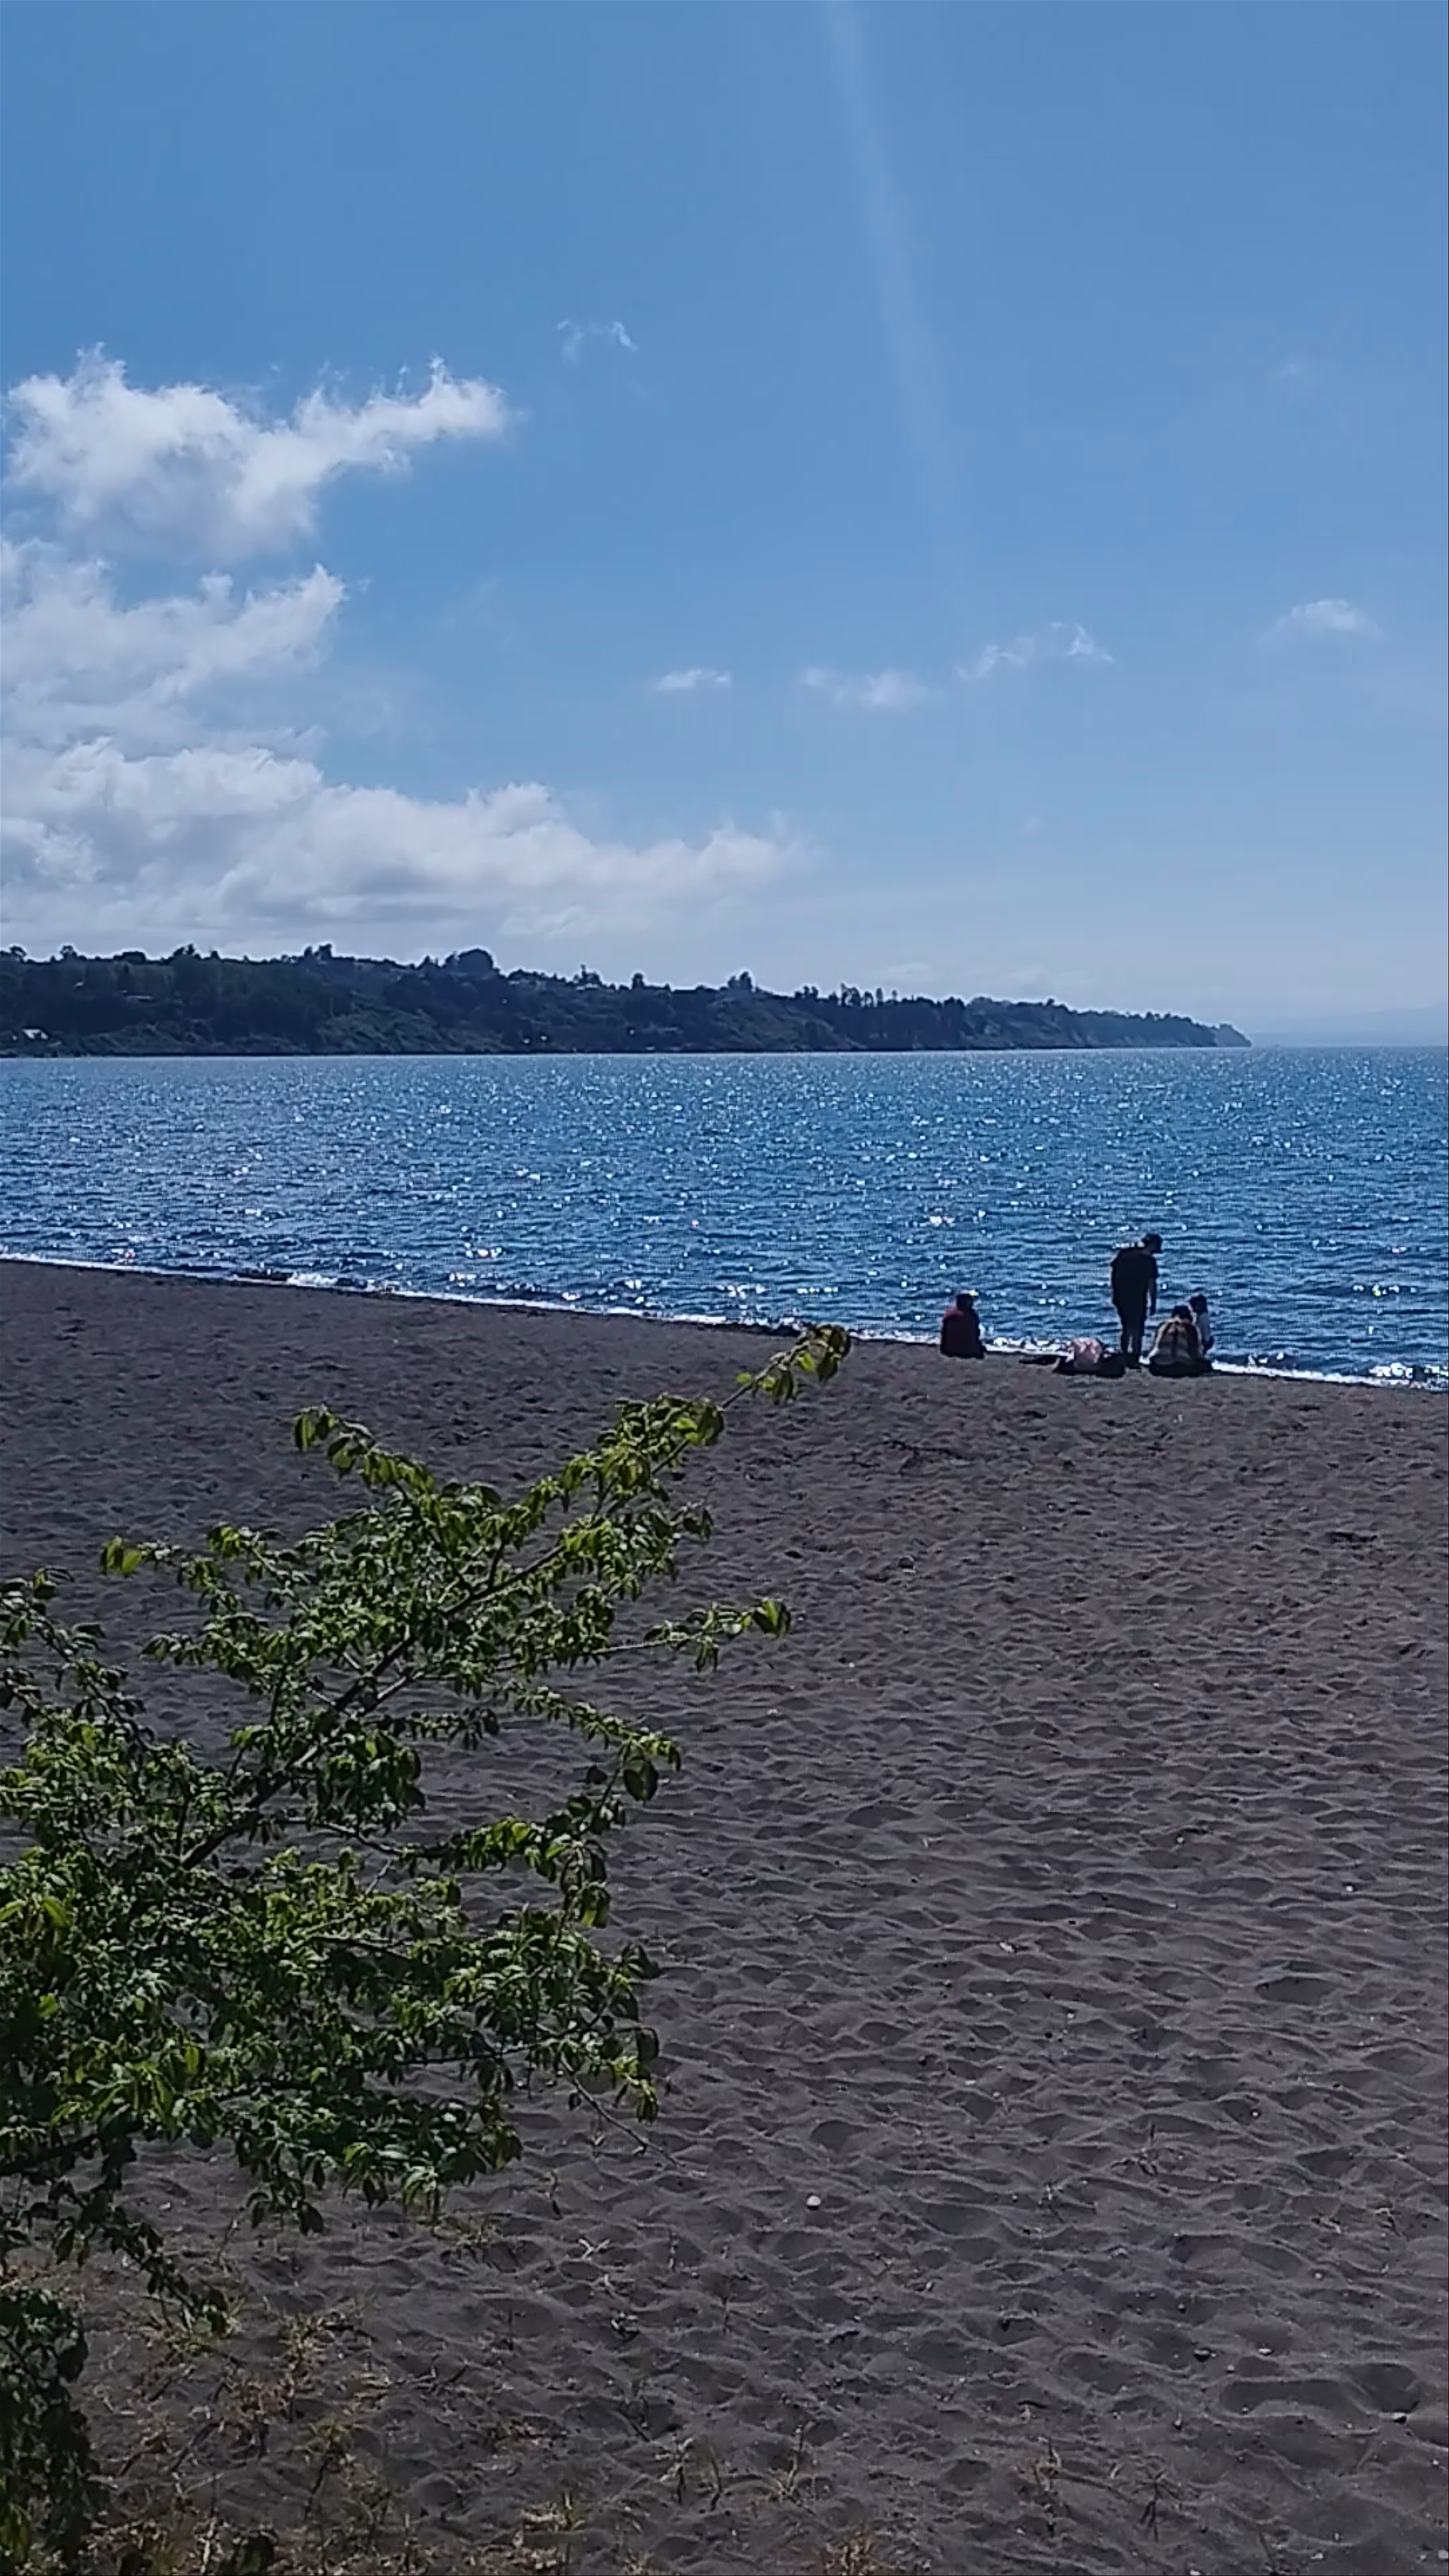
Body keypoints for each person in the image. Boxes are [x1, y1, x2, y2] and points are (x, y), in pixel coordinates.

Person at [1110, 1230, 1162, 1366]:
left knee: (1126, 1327)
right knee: (1138, 1328)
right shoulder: (1149, 1262)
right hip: (1138, 1297)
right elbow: (1152, 1285)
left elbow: (1114, 1273)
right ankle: (1135, 1356)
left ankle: (1125, 1354)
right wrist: (1154, 1303)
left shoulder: (1126, 1254)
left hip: (1122, 1295)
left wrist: (1115, 1293)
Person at [1148, 1304, 1207, 1378]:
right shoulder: (1191, 1328)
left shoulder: (1164, 1325)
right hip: (1179, 1366)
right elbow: (1195, 1353)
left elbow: (1155, 1347)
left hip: (1157, 1365)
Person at [940, 1291, 985, 1358]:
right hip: (969, 1351)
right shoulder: (972, 1316)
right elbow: (976, 1334)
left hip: (949, 1350)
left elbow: (944, 1335)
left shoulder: (949, 1316)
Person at [1188, 1291, 1214, 1364]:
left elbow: (1206, 1330)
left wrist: (1206, 1341)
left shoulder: (1204, 1317)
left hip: (1203, 1339)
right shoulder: (1198, 1316)